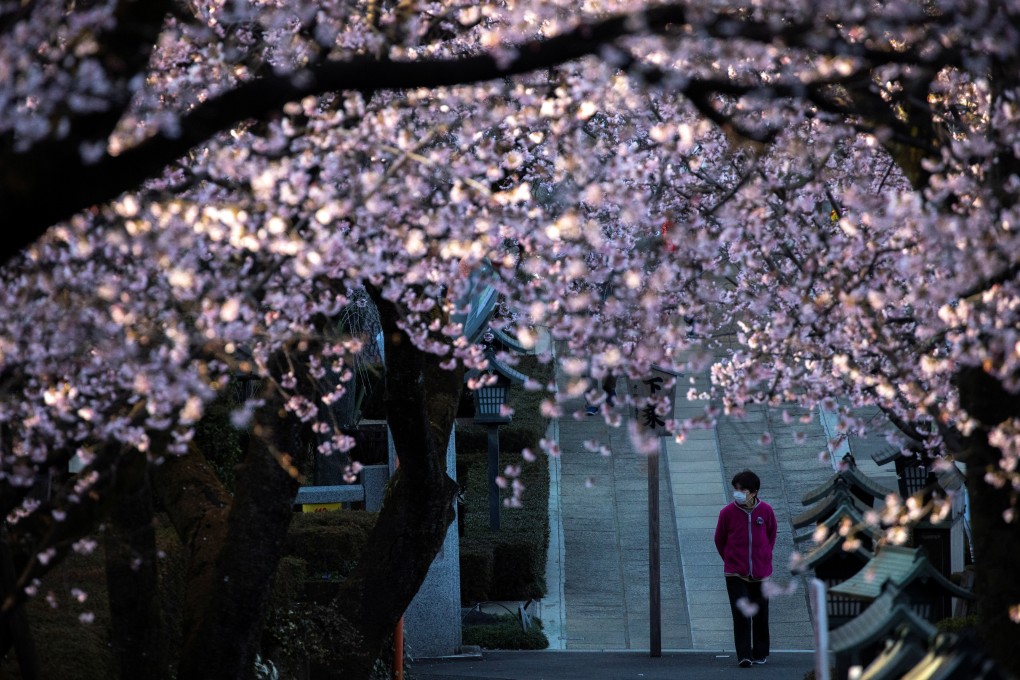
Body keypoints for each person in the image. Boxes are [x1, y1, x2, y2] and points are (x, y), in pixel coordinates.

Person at [714, 469, 778, 668]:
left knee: (760, 613)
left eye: (743, 490)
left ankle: (760, 652)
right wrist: (731, 560)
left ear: (754, 492)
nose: (738, 493)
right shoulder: (727, 513)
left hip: (760, 572)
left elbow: (771, 535)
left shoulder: (766, 511)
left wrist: (763, 557)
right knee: (741, 614)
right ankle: (744, 655)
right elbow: (719, 539)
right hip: (735, 573)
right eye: (736, 489)